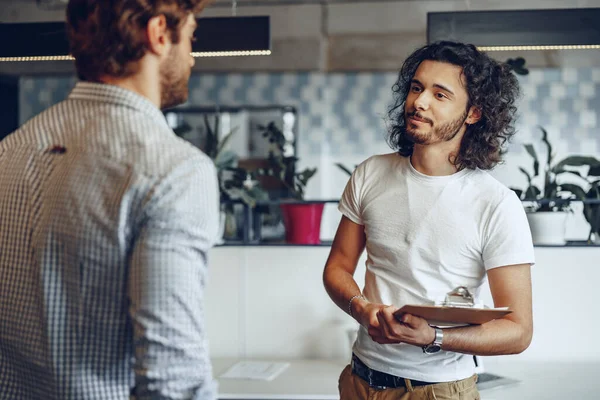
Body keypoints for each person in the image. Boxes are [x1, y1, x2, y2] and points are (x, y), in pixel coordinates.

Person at [0, 0, 219, 399]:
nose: (190, 56)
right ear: (158, 34)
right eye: (190, 37)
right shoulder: (174, 169)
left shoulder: (9, 152)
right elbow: (172, 381)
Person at [323, 41, 535, 400]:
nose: (419, 102)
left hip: (439, 391)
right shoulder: (370, 173)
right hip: (359, 382)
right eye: (417, 87)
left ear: (473, 114)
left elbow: (518, 331)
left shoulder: (497, 204)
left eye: (440, 94)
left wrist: (434, 337)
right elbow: (338, 268)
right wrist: (360, 307)